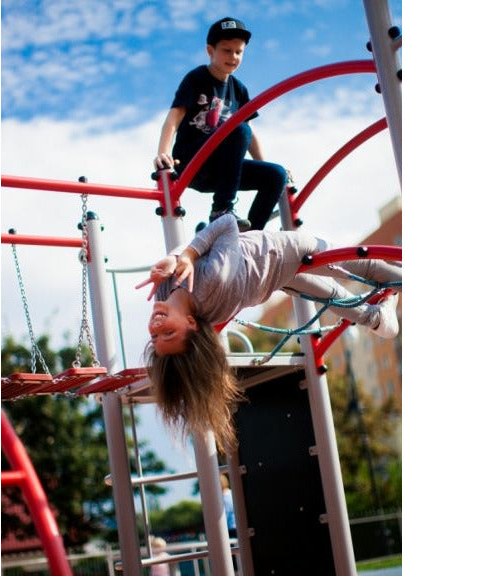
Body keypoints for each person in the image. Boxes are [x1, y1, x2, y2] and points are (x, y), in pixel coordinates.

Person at [136, 214, 401, 453]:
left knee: (333, 295)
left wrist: (174, 257)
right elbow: (227, 223)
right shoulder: (213, 281)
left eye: (155, 337)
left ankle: (378, 320)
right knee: (359, 265)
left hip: (272, 276)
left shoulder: (164, 290)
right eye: (168, 332)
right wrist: (188, 254)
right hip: (284, 254)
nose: (155, 327)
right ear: (192, 323)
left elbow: (192, 254)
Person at [153, 17, 288, 232]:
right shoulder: (197, 78)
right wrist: (163, 152)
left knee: (276, 175)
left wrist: (264, 165)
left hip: (224, 169)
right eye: (227, 50)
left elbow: (250, 135)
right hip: (192, 162)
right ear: (210, 50)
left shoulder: (239, 89)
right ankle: (221, 209)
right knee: (238, 128)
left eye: (238, 52)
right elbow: (174, 116)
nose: (233, 57)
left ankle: (250, 236)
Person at [221, 474, 237, 539]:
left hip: (230, 529)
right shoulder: (233, 493)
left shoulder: (223, 497)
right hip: (238, 526)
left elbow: (224, 515)